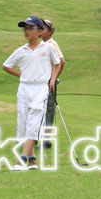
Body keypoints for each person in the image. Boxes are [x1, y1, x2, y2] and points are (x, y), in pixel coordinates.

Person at [2, 15, 61, 170]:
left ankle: (22, 159)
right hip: (24, 88)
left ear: (40, 31)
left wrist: (53, 79)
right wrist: (23, 75)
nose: (26, 31)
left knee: (34, 122)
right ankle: (32, 159)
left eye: (30, 28)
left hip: (41, 88)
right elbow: (6, 66)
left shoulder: (48, 48)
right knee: (23, 123)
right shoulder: (21, 51)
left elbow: (57, 63)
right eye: (25, 29)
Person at [41, 18, 65, 149]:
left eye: (43, 28)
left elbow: (61, 61)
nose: (40, 30)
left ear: (50, 31)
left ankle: (46, 140)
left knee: (48, 110)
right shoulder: (42, 44)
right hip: (43, 81)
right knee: (41, 109)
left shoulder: (52, 44)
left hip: (49, 81)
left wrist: (54, 78)